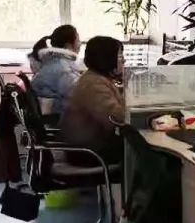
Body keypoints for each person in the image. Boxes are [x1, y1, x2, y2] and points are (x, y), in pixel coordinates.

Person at [60, 36, 125, 165]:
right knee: (142, 150)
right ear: (107, 58)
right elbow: (117, 118)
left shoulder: (93, 78)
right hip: (89, 152)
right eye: (119, 55)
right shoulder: (94, 84)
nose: (124, 60)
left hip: (89, 146)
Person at [30, 25, 83, 114]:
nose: (80, 44)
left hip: (52, 111)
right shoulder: (62, 67)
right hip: (58, 115)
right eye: (78, 40)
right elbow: (79, 93)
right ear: (68, 45)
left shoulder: (53, 61)